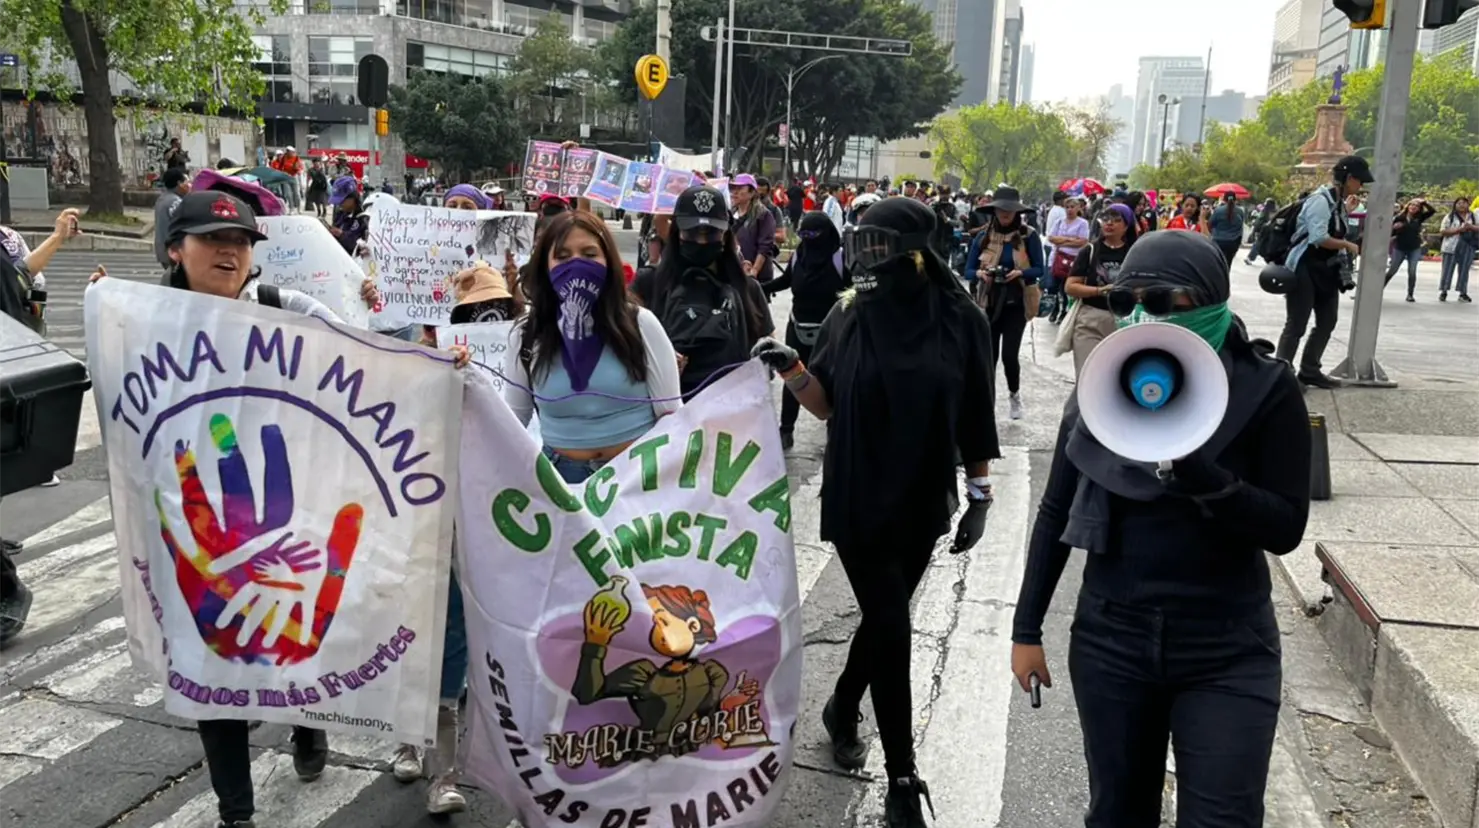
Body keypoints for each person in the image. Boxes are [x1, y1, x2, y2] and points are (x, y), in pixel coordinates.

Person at [88, 190, 396, 828]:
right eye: (212, 240)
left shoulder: (285, 308)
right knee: (211, 649)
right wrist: (104, 311)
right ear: (176, 250)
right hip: (194, 517)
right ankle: (237, 813)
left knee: (293, 634)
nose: (229, 252)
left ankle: (306, 724)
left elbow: (363, 354)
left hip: (284, 507)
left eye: (240, 242)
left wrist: (426, 354)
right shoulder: (146, 319)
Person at [1011, 230, 1311, 828]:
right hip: (1111, 641)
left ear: (1210, 301)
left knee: (1223, 818)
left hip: (1227, 647)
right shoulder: (1103, 385)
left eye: (1165, 299)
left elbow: (1285, 527)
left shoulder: (1267, 387)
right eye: (1127, 301)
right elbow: (1054, 511)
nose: (1144, 315)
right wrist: (1027, 629)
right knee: (1119, 813)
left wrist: (1211, 482)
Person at [750, 196, 999, 828]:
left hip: (922, 494)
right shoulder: (848, 313)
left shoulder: (962, 317)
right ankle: (903, 774)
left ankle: (842, 703)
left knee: (884, 621)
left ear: (920, 251)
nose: (865, 257)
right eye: (860, 243)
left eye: (879, 246)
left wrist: (980, 494)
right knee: (891, 622)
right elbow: (826, 404)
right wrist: (794, 370)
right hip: (857, 490)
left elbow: (975, 410)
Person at [505, 209, 681, 486]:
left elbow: (671, 415)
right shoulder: (527, 334)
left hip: (636, 479)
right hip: (561, 484)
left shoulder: (641, 324)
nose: (576, 265)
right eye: (562, 257)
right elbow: (511, 422)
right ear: (544, 265)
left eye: (589, 255)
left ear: (608, 262)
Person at [634, 185, 774, 396]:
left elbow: (767, 355)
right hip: (667, 416)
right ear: (677, 233)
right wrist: (656, 360)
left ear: (726, 235)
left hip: (731, 417)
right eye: (692, 232)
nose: (701, 241)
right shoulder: (648, 283)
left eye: (710, 233)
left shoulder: (748, 289)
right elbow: (620, 347)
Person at [1275, 155, 1371, 389]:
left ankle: (1310, 370)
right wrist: (1347, 245)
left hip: (1326, 270)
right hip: (1304, 267)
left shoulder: (1338, 202)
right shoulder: (1320, 200)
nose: (1362, 186)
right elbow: (1319, 238)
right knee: (1297, 324)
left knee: (1328, 321)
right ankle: (1281, 374)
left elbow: (1337, 230)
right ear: (1348, 179)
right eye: (1359, 181)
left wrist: (1346, 212)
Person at [762, 211, 848, 451]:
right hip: (797, 325)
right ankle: (786, 430)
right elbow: (787, 280)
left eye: (813, 234)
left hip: (830, 331)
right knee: (793, 379)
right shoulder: (800, 254)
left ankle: (835, 433)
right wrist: (759, 288)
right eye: (803, 234)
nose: (808, 239)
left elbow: (853, 292)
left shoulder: (841, 258)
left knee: (831, 382)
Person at [964, 185, 1043, 421]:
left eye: (1009, 210)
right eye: (1000, 209)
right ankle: (986, 401)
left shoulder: (1029, 236)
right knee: (989, 356)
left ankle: (1014, 394)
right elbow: (967, 270)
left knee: (1009, 355)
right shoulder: (984, 236)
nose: (1005, 214)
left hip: (1016, 302)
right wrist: (981, 274)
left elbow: (1040, 269)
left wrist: (1021, 273)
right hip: (988, 301)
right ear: (994, 210)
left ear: (1017, 211)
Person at [1064, 203, 1138, 376]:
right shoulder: (1089, 250)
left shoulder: (1135, 253)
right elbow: (1070, 286)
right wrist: (1100, 291)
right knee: (1087, 376)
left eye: (1116, 220)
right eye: (1105, 219)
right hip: (1090, 320)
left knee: (1114, 378)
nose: (1109, 223)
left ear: (1127, 225)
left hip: (1124, 322)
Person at [1384, 198, 1437, 302]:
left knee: (1412, 271)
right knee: (1392, 270)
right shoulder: (1400, 217)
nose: (1413, 207)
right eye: (1412, 205)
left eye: (1416, 206)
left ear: (1419, 209)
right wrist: (1395, 228)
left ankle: (1410, 294)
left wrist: (1424, 202)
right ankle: (1379, 289)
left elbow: (1432, 211)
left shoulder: (1419, 218)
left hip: (1414, 248)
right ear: (1407, 206)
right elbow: (1392, 233)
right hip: (1400, 247)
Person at [730, 174, 780, 283]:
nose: (735, 192)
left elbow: (765, 247)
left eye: (740, 188)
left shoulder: (763, 215)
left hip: (757, 276)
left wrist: (754, 271)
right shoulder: (731, 213)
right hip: (735, 272)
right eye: (733, 188)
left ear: (752, 192)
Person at [1438, 196, 1476, 303]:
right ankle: (1444, 291)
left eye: (1464, 203)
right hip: (1451, 246)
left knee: (1464, 271)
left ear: (1468, 204)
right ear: (1455, 205)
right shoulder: (1449, 217)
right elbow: (1443, 231)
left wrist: (1470, 227)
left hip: (1468, 246)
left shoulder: (1474, 216)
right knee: (1447, 270)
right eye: (1459, 203)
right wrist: (1459, 229)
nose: (1461, 205)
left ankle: (1462, 292)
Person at [154, 167, 192, 269]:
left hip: (163, 249)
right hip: (173, 251)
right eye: (186, 182)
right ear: (179, 183)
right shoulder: (176, 202)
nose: (188, 185)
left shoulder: (162, 199)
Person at [1208, 191, 1247, 270]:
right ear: (1235, 200)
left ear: (1224, 199)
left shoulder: (1218, 210)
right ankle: (1225, 279)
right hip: (1233, 242)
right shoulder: (1240, 211)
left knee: (1217, 264)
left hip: (1218, 241)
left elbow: (1210, 224)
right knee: (1228, 264)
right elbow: (1241, 226)